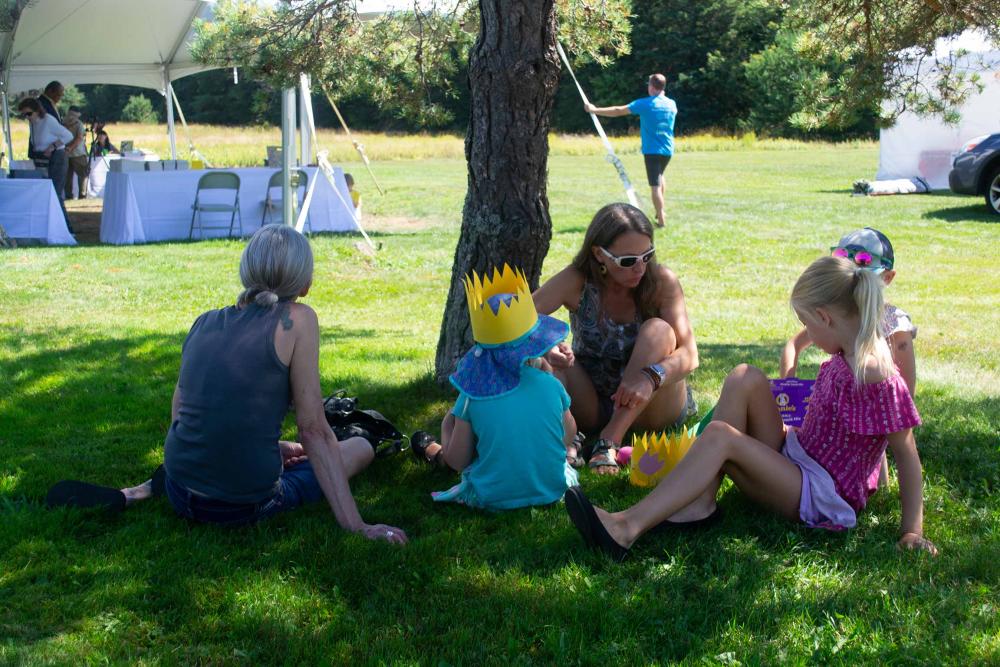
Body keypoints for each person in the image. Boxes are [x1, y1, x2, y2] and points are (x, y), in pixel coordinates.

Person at [48, 225, 408, 544]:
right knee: (359, 447)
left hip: (179, 487)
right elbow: (314, 429)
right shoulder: (298, 320)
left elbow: (181, 416)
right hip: (240, 507)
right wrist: (357, 526)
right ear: (306, 284)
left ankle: (143, 491)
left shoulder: (203, 321)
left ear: (246, 273)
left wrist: (271, 446)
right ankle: (249, 475)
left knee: (288, 451)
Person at [564, 255, 938, 561]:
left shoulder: (874, 374)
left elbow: (906, 454)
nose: (805, 332)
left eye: (806, 322)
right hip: (799, 456)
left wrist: (911, 531)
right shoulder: (846, 351)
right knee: (745, 376)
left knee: (721, 437)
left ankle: (624, 528)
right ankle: (700, 503)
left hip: (823, 492)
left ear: (825, 318)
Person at [533, 203, 698, 474]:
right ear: (599, 254)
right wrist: (547, 347)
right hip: (594, 402)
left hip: (654, 404)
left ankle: (609, 439)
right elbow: (519, 320)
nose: (640, 268)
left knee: (658, 330)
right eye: (628, 261)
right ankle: (561, 437)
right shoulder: (577, 280)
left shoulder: (661, 281)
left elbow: (690, 356)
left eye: (648, 255)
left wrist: (651, 376)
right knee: (552, 361)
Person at [410, 265, 579, 510]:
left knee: (463, 449)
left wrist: (448, 425)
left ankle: (433, 451)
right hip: (552, 490)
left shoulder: (473, 396)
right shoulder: (552, 385)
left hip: (492, 496)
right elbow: (568, 435)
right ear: (535, 345)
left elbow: (458, 461)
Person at [780, 227, 916, 487]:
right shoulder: (842, 322)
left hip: (846, 461)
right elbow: (794, 345)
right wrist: (788, 398)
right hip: (821, 446)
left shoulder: (892, 327)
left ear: (887, 278)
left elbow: (901, 401)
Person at [585, 74, 677, 228]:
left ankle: (661, 220)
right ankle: (660, 211)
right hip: (668, 149)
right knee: (660, 177)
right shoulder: (671, 104)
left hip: (652, 150)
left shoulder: (646, 104)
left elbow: (618, 110)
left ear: (652, 87)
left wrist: (595, 110)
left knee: (655, 185)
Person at [18, 97, 74, 229]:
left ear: (37, 110)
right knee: (46, 193)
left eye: (28, 113)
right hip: (44, 160)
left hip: (58, 158)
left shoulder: (48, 120)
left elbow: (68, 136)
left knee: (55, 193)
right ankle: (51, 226)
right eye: (24, 114)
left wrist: (53, 146)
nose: (27, 117)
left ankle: (67, 228)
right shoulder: (33, 123)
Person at [27, 81, 64, 165]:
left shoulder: (48, 103)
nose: (60, 98)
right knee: (48, 176)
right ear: (50, 91)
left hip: (51, 149)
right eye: (58, 95)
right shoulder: (41, 104)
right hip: (44, 150)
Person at [62, 106, 89, 199]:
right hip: (76, 153)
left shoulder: (64, 123)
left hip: (71, 153)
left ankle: (74, 195)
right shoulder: (77, 124)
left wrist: (68, 148)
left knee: (73, 176)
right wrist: (70, 148)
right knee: (79, 175)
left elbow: (79, 138)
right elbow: (79, 138)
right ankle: (78, 195)